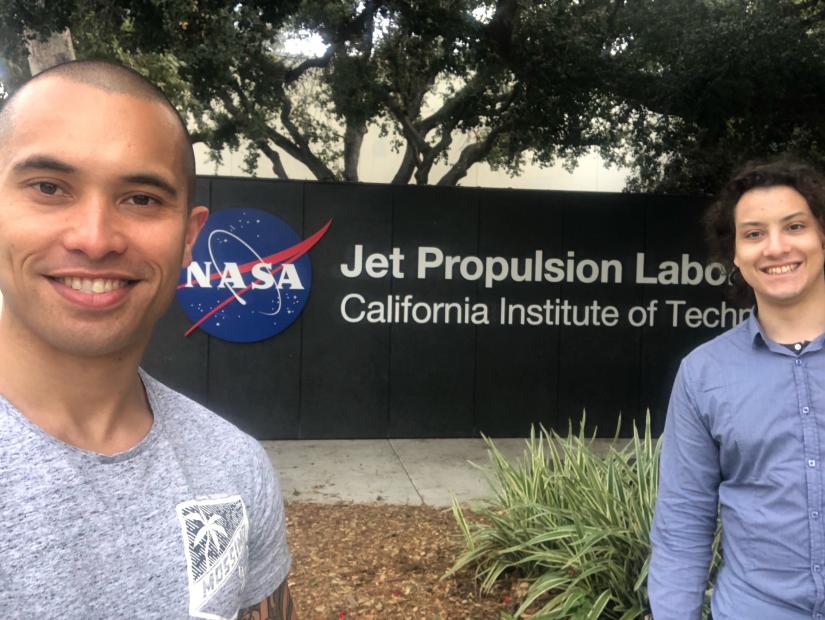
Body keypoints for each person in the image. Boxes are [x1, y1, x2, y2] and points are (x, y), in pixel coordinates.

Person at [0, 60, 296, 619]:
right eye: (48, 187)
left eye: (141, 198)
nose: (94, 239)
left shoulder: (234, 468)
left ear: (189, 238)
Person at [649, 158, 825, 619]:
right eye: (753, 233)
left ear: (821, 235)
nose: (776, 247)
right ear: (734, 255)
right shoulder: (704, 373)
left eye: (794, 226)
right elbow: (682, 524)